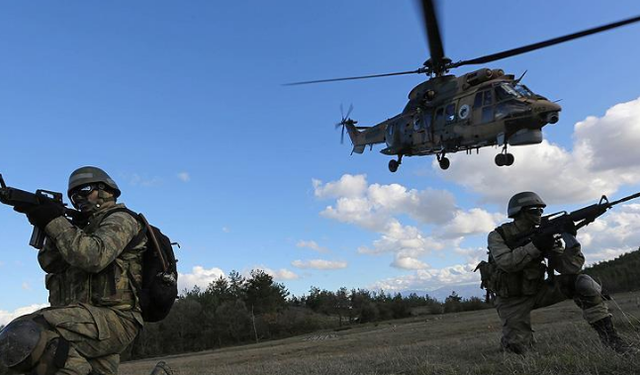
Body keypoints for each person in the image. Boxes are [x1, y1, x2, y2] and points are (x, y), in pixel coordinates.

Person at [0, 166, 146, 375]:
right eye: (74, 196)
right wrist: (53, 226)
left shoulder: (121, 219)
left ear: (107, 190)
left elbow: (93, 257)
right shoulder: (79, 231)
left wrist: (55, 221)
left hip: (116, 319)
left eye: (85, 190)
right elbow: (50, 263)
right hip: (85, 321)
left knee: (26, 332)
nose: (79, 199)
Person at [485, 191, 631, 354]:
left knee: (583, 283)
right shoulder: (498, 235)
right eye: (534, 210)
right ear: (519, 213)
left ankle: (613, 342)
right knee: (518, 351)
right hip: (511, 300)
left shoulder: (544, 234)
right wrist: (536, 246)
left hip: (538, 290)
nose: (539, 214)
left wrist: (571, 241)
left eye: (541, 210)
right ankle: (512, 344)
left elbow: (569, 268)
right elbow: (507, 263)